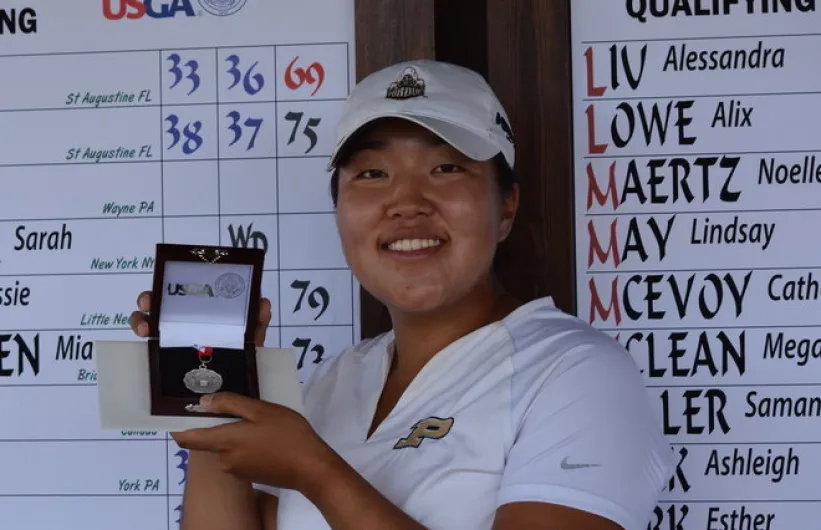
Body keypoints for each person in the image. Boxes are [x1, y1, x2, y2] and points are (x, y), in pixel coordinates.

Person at [129, 59, 674, 530]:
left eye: (446, 167)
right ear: (340, 210)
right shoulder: (330, 384)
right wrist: (213, 393)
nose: (407, 201)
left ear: (505, 207)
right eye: (371, 172)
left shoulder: (576, 374)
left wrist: (316, 470)